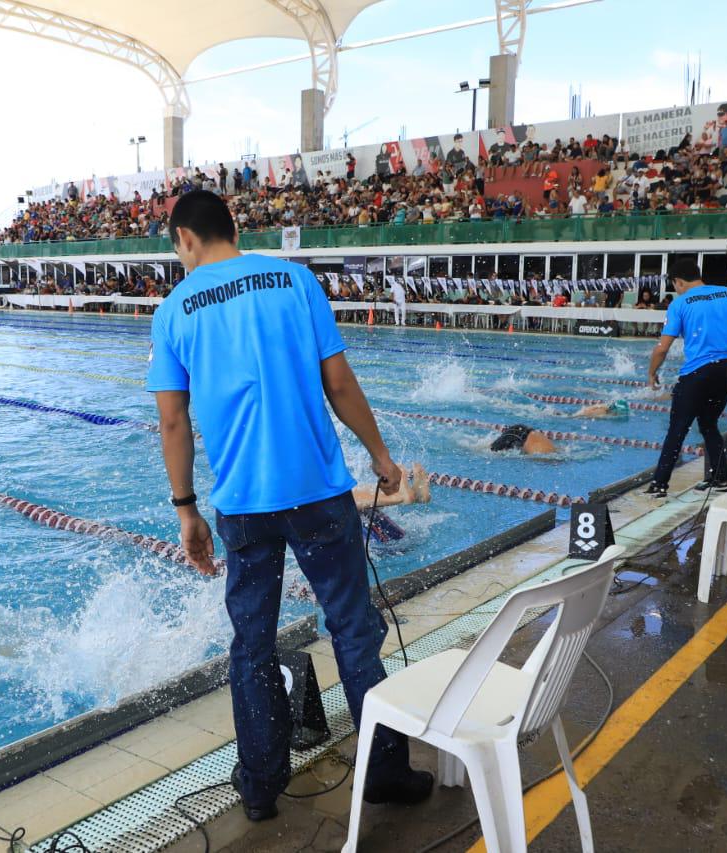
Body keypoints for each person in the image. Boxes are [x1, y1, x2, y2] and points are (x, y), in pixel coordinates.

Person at [146, 190, 432, 823]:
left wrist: (186, 510)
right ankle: (383, 771)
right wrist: (381, 457)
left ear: (185, 239)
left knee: (252, 646)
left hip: (242, 506)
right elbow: (338, 382)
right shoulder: (295, 281)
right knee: (354, 631)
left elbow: (173, 425)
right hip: (320, 495)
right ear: (233, 228)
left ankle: (260, 788)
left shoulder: (174, 312)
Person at [645, 260, 727, 498]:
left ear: (678, 281)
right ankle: (721, 479)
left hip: (698, 372)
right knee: (708, 424)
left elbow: (662, 348)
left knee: (677, 429)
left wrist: (652, 372)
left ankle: (659, 485)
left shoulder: (680, 303)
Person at [487, 424, 557, 454]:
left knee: (489, 450)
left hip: (524, 434)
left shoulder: (548, 455)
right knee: (491, 451)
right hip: (517, 435)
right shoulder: (547, 457)